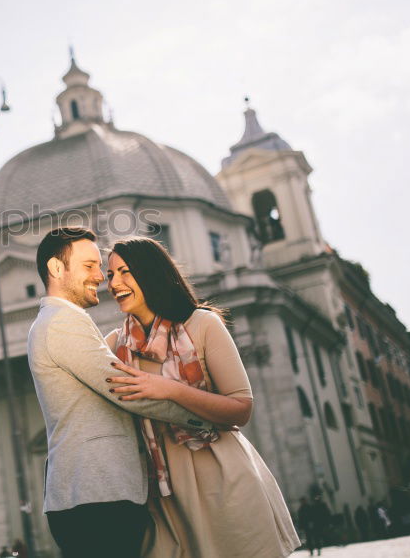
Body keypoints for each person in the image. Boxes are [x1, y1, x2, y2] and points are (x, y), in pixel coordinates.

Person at [104, 236, 301, 558]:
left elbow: (241, 408)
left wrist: (170, 390)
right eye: (110, 274)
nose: (114, 283)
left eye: (125, 271)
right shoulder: (114, 345)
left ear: (150, 272)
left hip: (222, 478)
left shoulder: (203, 323)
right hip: (163, 494)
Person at [28, 227, 212, 558]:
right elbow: (126, 389)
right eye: (89, 266)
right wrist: (205, 414)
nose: (101, 277)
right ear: (56, 269)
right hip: (96, 494)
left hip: (93, 494)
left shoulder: (62, 321)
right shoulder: (61, 322)